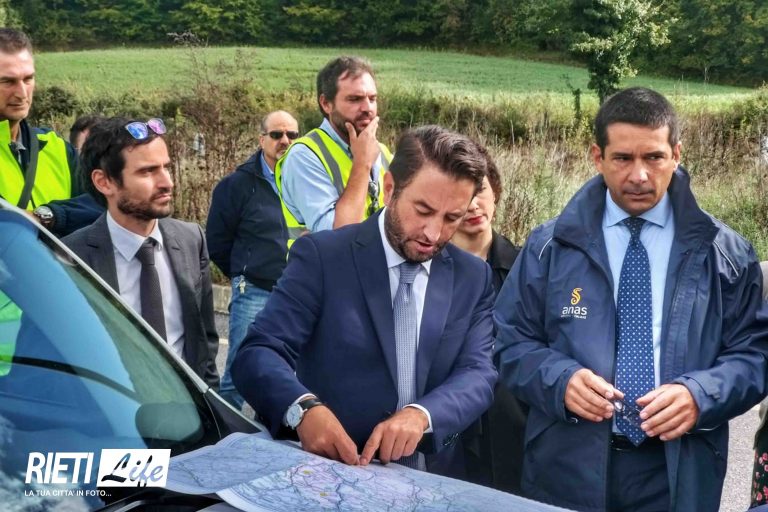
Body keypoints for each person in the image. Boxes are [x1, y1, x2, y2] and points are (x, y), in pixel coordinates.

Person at [495, 87, 768, 511]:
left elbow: (755, 354)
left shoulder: (724, 253)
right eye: (622, 158)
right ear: (597, 157)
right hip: (567, 465)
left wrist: (700, 395)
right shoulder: (550, 246)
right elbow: (509, 343)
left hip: (678, 471)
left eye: (654, 157)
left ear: (676, 155)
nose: (639, 175)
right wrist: (560, 380)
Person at [232, 125, 497, 478]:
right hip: (332, 474)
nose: (433, 233)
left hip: (434, 479)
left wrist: (423, 415)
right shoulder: (324, 258)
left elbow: (478, 373)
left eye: (452, 218)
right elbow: (258, 352)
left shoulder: (473, 277)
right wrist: (303, 410)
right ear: (389, 188)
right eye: (423, 210)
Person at [62, 117, 219, 388]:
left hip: (188, 409)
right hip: (114, 409)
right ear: (104, 182)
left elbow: (204, 343)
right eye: (147, 172)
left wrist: (210, 403)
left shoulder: (191, 240)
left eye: (166, 167)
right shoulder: (70, 259)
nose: (167, 182)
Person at [206, 110, 299, 408]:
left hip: (297, 292)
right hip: (254, 290)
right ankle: (223, 430)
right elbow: (217, 241)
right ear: (262, 140)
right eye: (277, 134)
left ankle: (270, 429)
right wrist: (243, 272)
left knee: (287, 373)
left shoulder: (306, 182)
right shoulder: (237, 185)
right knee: (238, 372)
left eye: (292, 135)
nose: (285, 141)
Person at [450, 151, 524, 493]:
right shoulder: (423, 270)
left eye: (479, 189)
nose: (473, 205)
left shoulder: (529, 267)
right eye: (460, 194)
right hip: (449, 427)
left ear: (495, 190)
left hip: (514, 432)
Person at [276, 56, 392, 249]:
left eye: (372, 99)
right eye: (355, 99)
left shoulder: (382, 153)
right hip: (320, 269)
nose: (367, 108)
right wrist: (362, 164)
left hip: (371, 267)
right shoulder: (304, 156)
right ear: (326, 104)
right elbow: (338, 239)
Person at [0, 28, 100, 236]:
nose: (22, 93)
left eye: (28, 79)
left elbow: (103, 202)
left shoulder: (54, 146)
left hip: (63, 260)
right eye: (7, 81)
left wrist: (48, 215)